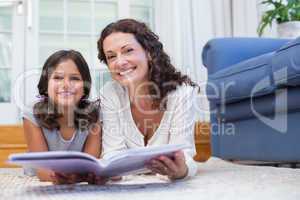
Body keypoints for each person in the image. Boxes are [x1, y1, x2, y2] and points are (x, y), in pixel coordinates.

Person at [98, 18, 199, 181]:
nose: (120, 62)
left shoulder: (182, 93)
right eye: (111, 56)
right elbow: (112, 152)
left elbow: (184, 152)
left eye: (128, 50)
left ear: (149, 53)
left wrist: (182, 170)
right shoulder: (110, 93)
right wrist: (113, 171)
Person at [22, 50, 101, 184]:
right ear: (46, 85)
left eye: (75, 78)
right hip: (39, 181)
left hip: (78, 182)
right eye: (57, 78)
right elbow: (42, 170)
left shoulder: (94, 114)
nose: (66, 85)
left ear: (85, 88)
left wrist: (82, 175)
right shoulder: (32, 113)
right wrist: (78, 176)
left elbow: (90, 164)